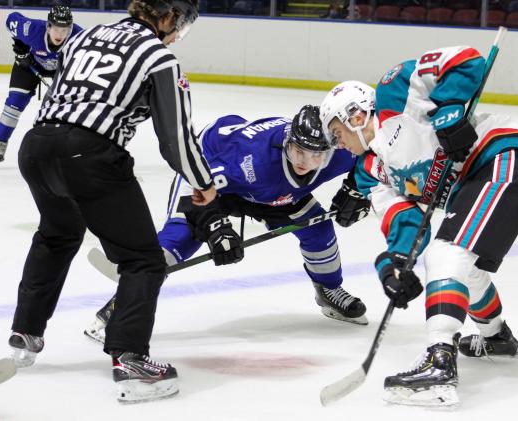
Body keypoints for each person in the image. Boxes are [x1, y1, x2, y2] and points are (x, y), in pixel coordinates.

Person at [8, 0, 215, 403]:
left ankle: (25, 332)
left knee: (57, 234)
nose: (179, 33)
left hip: (36, 147)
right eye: (182, 23)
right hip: (89, 156)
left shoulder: (88, 36)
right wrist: (202, 182)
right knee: (143, 259)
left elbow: (54, 81)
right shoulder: (159, 57)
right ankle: (131, 359)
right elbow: (175, 138)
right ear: (169, 16)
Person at [319, 46, 518, 406]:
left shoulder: (393, 92)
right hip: (475, 183)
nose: (339, 146)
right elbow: (404, 219)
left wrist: (450, 111)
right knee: (463, 267)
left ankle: (440, 361)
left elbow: (463, 59)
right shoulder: (369, 172)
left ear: (356, 114)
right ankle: (497, 337)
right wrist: (396, 262)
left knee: (446, 253)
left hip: (501, 155)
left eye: (337, 133)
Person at [84, 105, 372, 343]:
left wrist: (358, 190)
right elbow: (196, 190)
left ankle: (328, 290)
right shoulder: (251, 159)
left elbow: (375, 158)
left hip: (270, 190)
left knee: (318, 229)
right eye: (299, 153)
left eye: (316, 156)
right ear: (287, 142)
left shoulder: (340, 152)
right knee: (177, 243)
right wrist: (215, 226)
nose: (305, 163)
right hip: (209, 174)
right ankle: (123, 303)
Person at [0, 5, 83, 163]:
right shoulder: (32, 29)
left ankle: (56, 148)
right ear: (48, 26)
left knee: (60, 108)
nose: (60, 34)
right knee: (14, 103)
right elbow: (11, 18)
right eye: (57, 29)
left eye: (64, 30)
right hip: (29, 66)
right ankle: (0, 142)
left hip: (60, 71)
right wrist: (20, 45)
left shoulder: (79, 37)